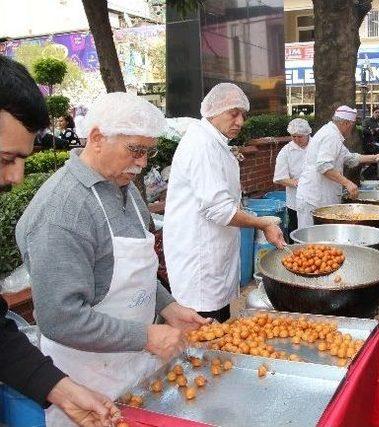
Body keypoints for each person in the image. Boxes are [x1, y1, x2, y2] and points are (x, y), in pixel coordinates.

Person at [15, 92, 207, 426]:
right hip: (85, 384)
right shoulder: (62, 212)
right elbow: (60, 319)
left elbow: (134, 270)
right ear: (97, 138)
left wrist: (167, 306)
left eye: (149, 151)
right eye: (135, 150)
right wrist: (146, 336)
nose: (143, 163)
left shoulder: (126, 187)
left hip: (135, 368)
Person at [0, 55, 120, 426]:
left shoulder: (124, 192)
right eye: (6, 159)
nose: (17, 176)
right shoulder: (60, 208)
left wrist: (60, 389)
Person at [163, 83, 285, 323]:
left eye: (243, 115)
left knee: (219, 325)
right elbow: (219, 210)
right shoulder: (202, 145)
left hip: (214, 255)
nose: (240, 121)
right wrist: (263, 224)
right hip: (199, 262)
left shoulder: (215, 143)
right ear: (213, 111)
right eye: (233, 113)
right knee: (202, 335)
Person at [296, 106, 379, 229]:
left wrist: (375, 157)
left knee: (322, 241)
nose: (352, 128)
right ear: (345, 123)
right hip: (314, 199)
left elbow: (349, 158)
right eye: (352, 124)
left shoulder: (333, 134)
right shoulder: (331, 136)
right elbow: (324, 166)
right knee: (312, 241)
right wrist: (348, 183)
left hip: (319, 196)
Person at [273, 118, 311, 237]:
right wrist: (298, 183)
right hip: (295, 201)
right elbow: (279, 178)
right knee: (295, 231)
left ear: (308, 134)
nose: (296, 139)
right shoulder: (286, 152)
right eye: (293, 136)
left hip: (317, 197)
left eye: (300, 136)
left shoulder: (317, 146)